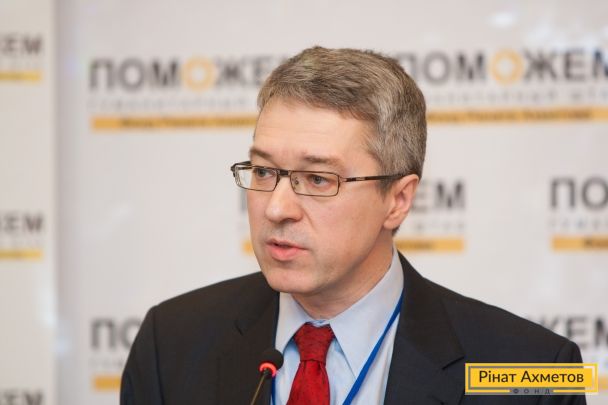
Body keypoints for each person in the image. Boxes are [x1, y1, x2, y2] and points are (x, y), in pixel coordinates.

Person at [121, 47, 585, 405]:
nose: (277, 207)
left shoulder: (537, 370)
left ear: (398, 201)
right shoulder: (171, 342)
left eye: (318, 179)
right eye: (263, 171)